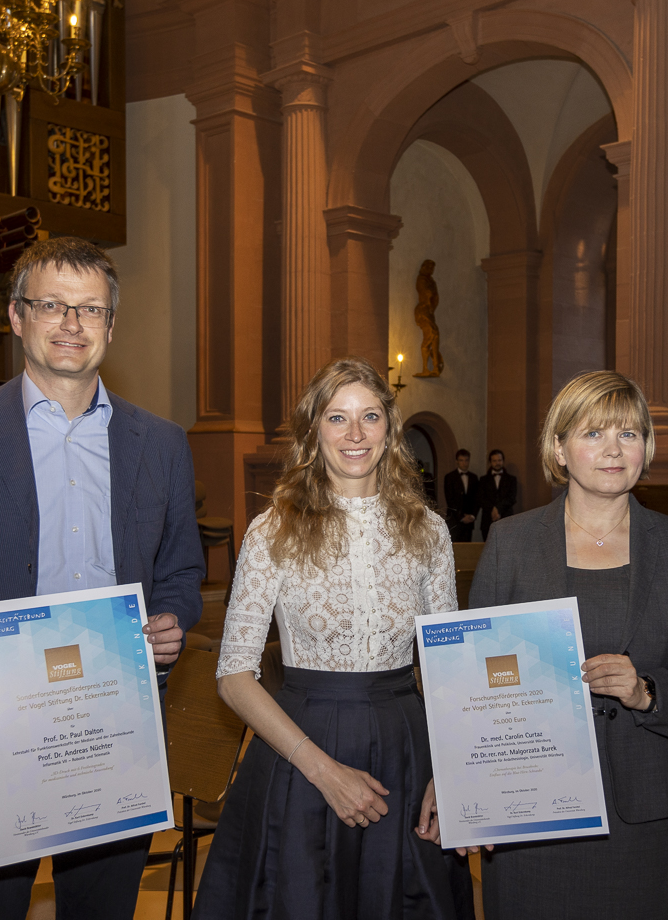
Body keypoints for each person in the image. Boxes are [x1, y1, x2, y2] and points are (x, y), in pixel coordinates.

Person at [0, 236, 203, 919]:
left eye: (89, 309)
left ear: (112, 325)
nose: (71, 324)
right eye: (51, 305)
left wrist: (172, 617)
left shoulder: (162, 443)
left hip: (111, 738)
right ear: (17, 317)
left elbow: (180, 571)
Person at [193, 357, 474, 920]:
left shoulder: (429, 530)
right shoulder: (272, 528)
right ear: (313, 430)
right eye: (337, 418)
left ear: (390, 430)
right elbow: (233, 676)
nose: (355, 434)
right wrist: (323, 771)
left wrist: (453, 771)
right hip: (302, 744)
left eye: (369, 417)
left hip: (405, 748)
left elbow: (445, 669)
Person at [462, 370, 668, 919]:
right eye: (593, 434)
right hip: (530, 800)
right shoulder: (511, 543)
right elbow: (473, 676)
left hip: (648, 803)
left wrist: (648, 691)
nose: (613, 450)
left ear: (645, 448)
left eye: (629, 434)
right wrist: (469, 793)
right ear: (560, 449)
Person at [476, 448, 517, 539]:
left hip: (506, 518)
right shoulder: (483, 480)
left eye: (499, 460)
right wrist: (492, 509)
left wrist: (498, 509)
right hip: (487, 520)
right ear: (490, 462)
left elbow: (512, 498)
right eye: (494, 461)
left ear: (503, 461)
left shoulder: (511, 479)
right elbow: (481, 498)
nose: (497, 463)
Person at [442, 448, 480, 542]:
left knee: (467, 550)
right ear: (457, 461)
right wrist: (461, 517)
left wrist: (473, 515)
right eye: (461, 460)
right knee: (454, 548)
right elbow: (450, 499)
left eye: (466, 460)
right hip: (455, 520)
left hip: (469, 521)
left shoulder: (474, 477)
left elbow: (477, 498)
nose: (464, 463)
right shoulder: (450, 477)